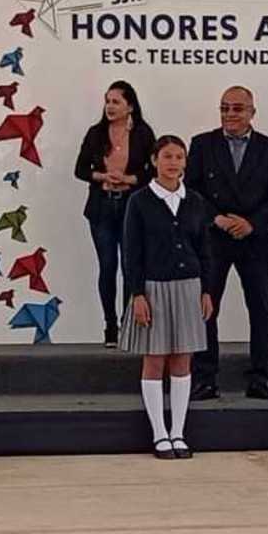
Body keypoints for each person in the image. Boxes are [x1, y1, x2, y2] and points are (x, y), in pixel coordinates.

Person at [186, 86, 268, 401]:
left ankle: (260, 378)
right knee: (206, 308)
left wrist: (252, 224)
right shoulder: (201, 144)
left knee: (261, 309)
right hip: (213, 240)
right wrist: (216, 218)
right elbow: (191, 192)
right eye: (225, 108)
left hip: (254, 240)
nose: (230, 114)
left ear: (252, 112)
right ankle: (205, 379)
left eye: (237, 108)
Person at [119, 135, 214, 459]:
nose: (173, 163)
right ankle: (159, 432)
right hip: (154, 287)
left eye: (179, 157)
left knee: (182, 358)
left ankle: (178, 432)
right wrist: (137, 294)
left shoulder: (195, 201)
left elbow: (204, 249)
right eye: (167, 156)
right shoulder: (140, 201)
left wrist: (206, 289)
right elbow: (131, 253)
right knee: (155, 358)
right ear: (154, 161)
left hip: (189, 286)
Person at [74, 80, 156, 347]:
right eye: (107, 101)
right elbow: (80, 169)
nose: (110, 106)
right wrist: (102, 176)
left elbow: (153, 170)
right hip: (102, 207)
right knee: (108, 266)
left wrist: (131, 179)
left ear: (130, 106)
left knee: (130, 267)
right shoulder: (96, 133)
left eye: (116, 102)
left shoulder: (143, 133)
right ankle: (110, 325)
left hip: (131, 207)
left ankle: (128, 324)